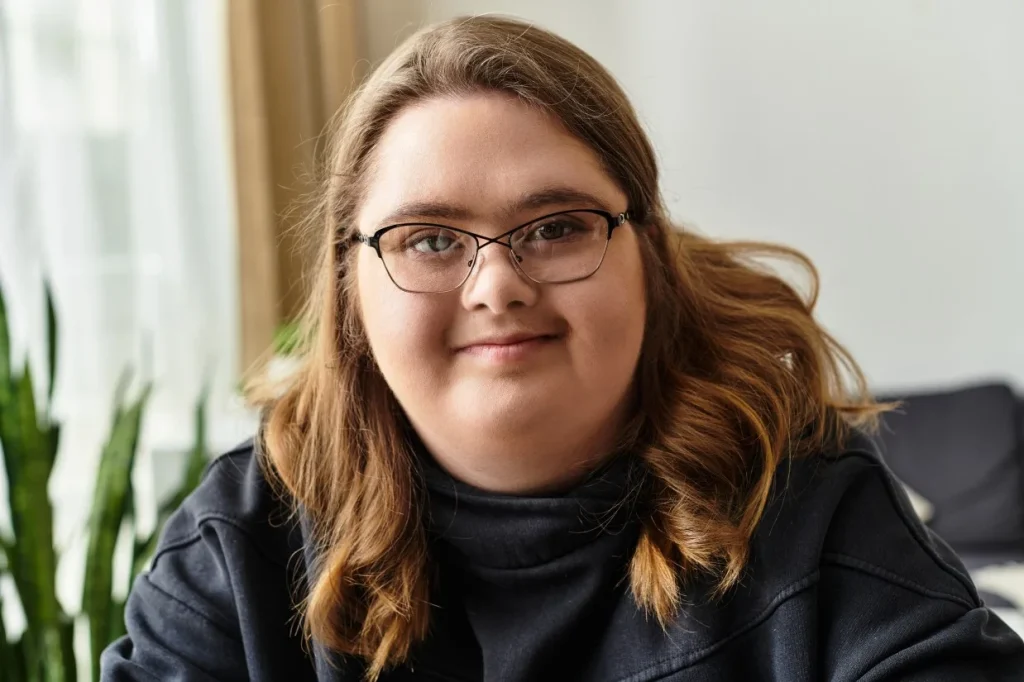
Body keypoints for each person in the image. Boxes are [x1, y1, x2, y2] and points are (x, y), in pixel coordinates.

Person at [101, 15, 1024, 682]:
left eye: (556, 228)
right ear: (349, 293)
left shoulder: (810, 502)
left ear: (649, 259)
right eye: (429, 238)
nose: (497, 284)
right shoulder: (241, 543)